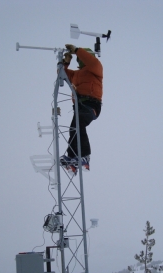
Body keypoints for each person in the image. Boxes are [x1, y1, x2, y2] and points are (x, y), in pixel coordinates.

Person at [59, 44, 103, 175]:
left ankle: (85, 156)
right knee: (74, 128)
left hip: (91, 105)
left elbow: (91, 61)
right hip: (79, 107)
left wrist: (77, 51)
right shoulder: (76, 74)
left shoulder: (96, 68)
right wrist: (66, 62)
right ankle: (72, 157)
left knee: (79, 124)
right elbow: (62, 74)